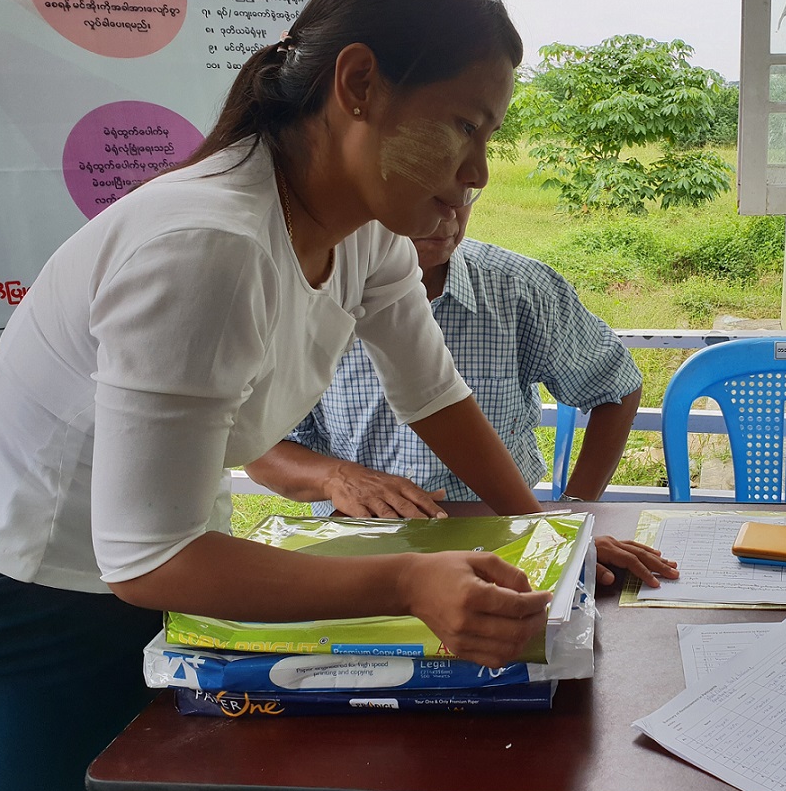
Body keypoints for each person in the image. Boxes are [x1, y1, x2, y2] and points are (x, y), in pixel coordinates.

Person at [0, 0, 592, 791]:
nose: (477, 172)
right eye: (462, 126)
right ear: (360, 83)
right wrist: (409, 583)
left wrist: (547, 535)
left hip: (158, 578)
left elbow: (433, 394)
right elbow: (150, 556)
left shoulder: (363, 228)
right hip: (40, 604)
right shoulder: (208, 247)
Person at [245, 196, 673, 588]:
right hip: (360, 544)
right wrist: (336, 476)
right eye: (423, 194)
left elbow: (615, 388)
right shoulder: (304, 296)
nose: (447, 213)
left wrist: (572, 518)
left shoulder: (518, 288)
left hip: (505, 533)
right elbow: (260, 447)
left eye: (464, 194)